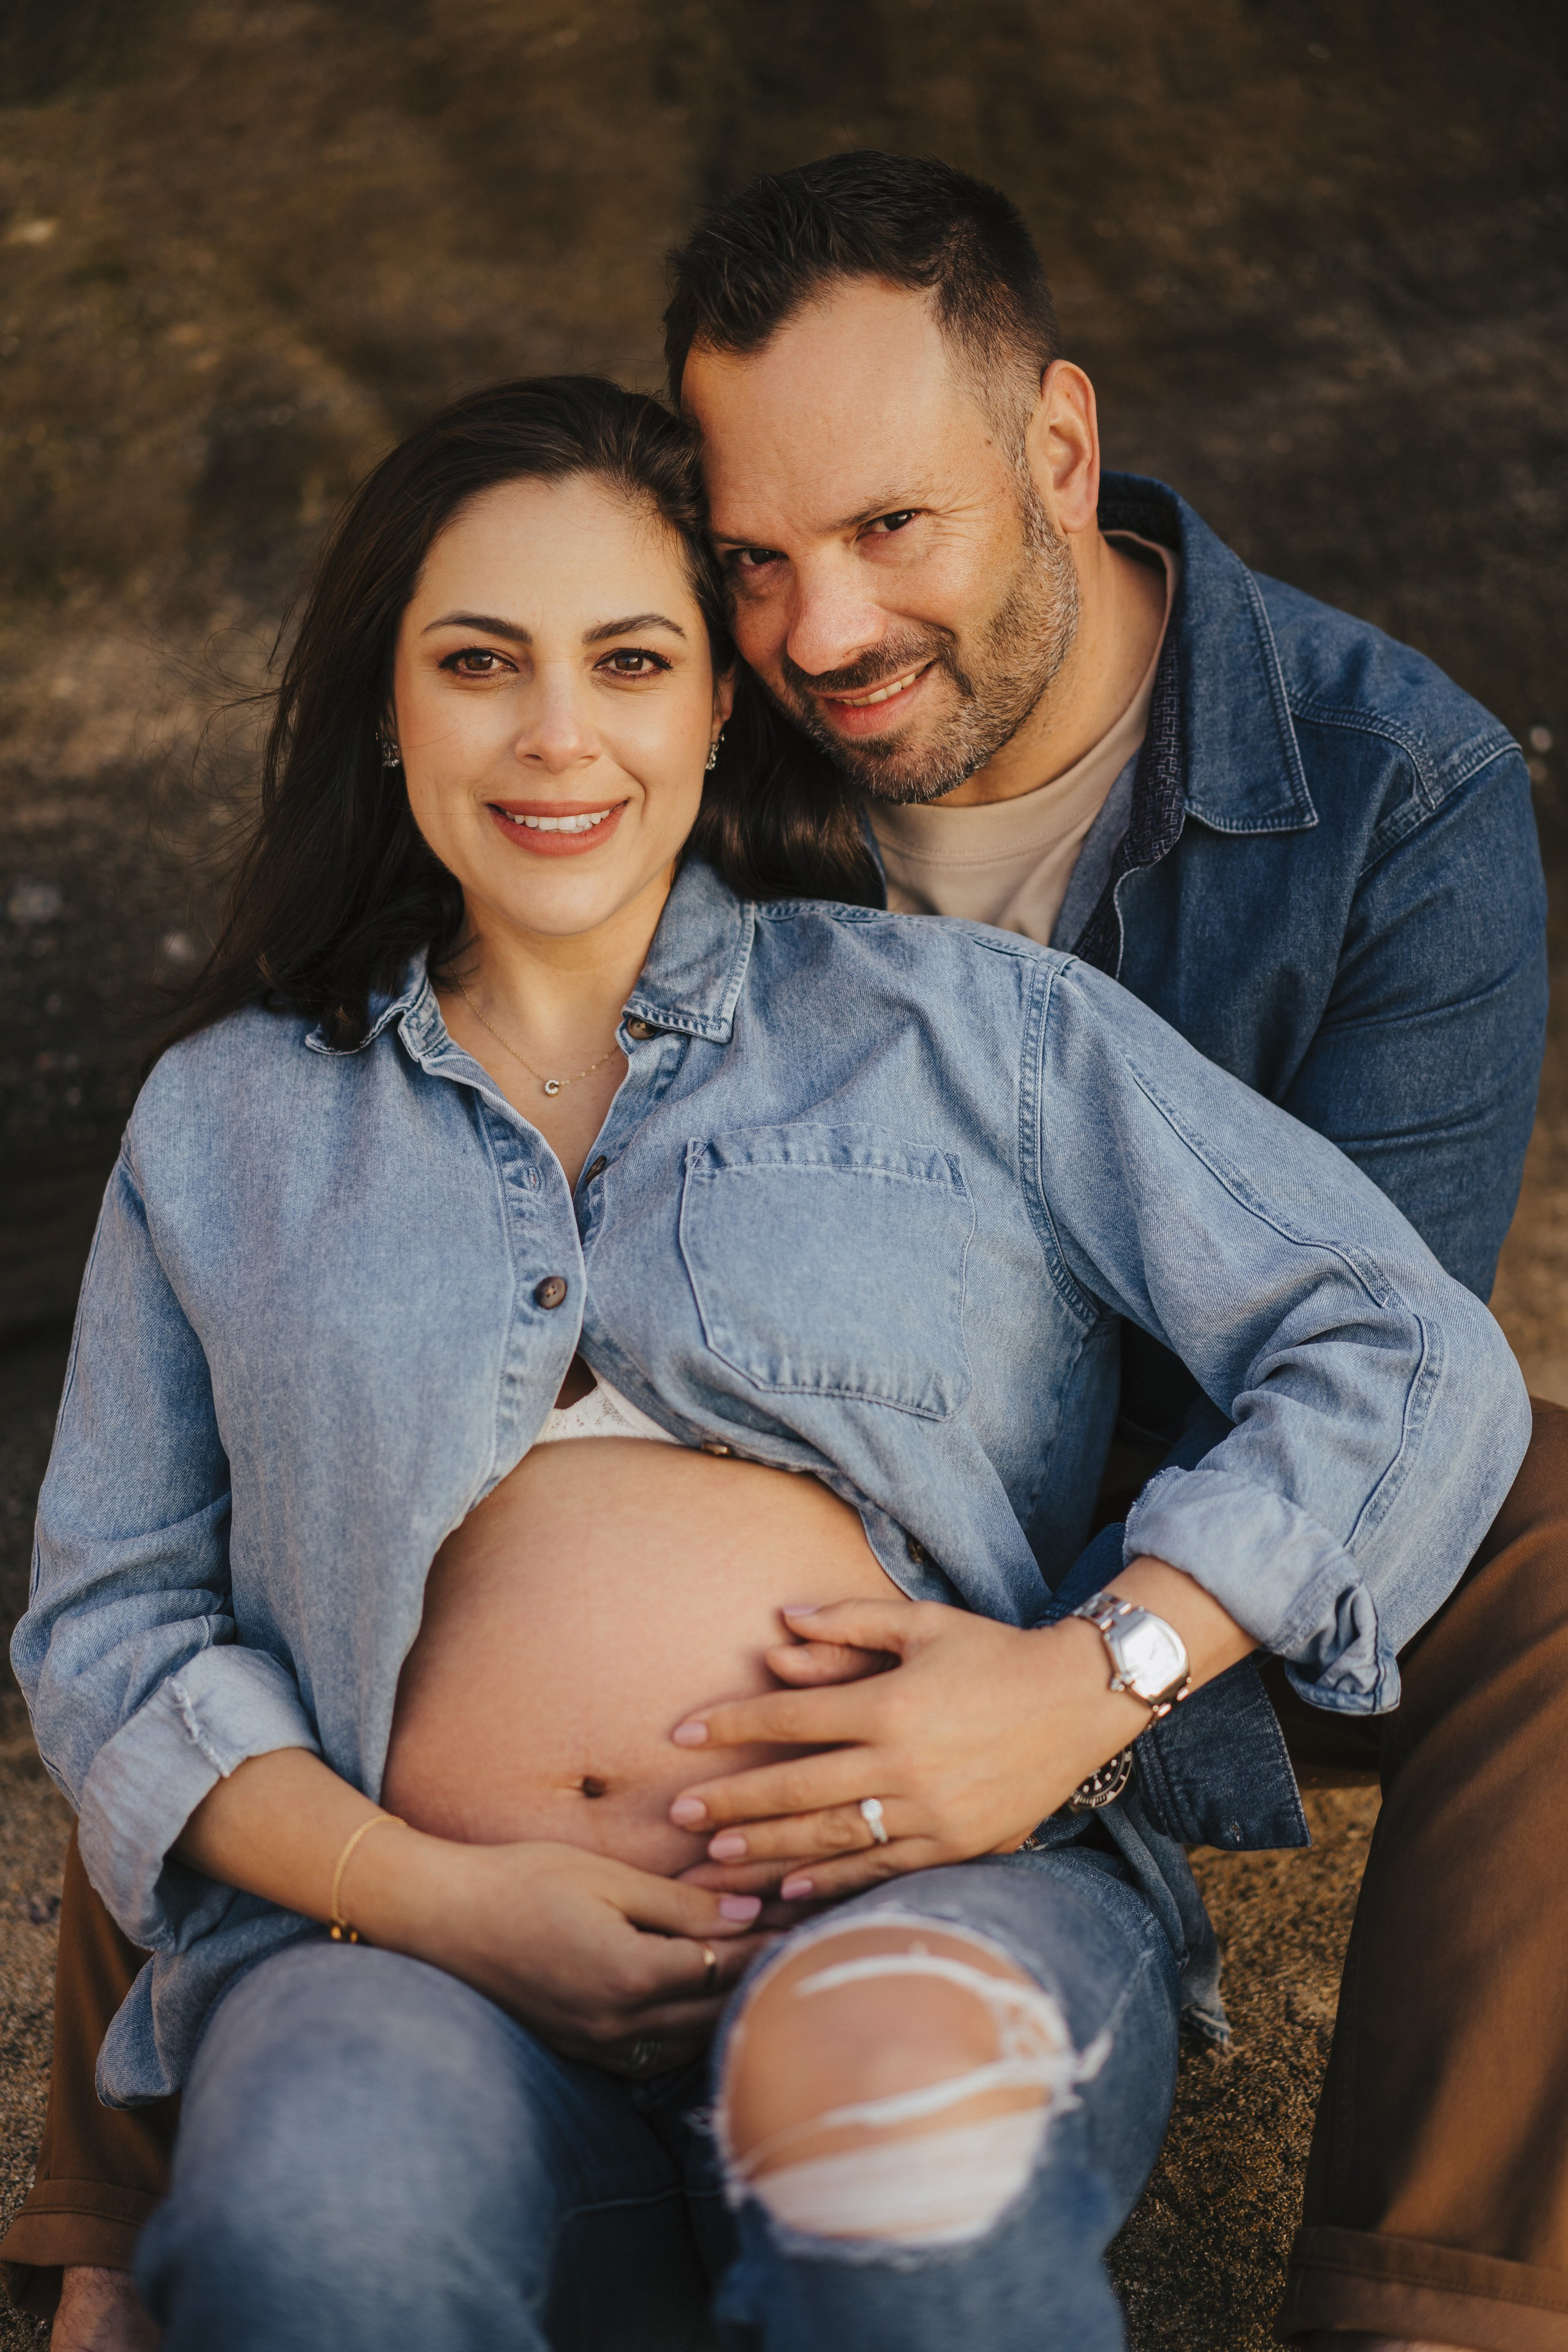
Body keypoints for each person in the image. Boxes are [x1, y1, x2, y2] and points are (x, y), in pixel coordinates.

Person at [4, 373, 1528, 2352]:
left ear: (720, 705)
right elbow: (114, 1625)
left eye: (631, 661)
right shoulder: (229, 1119)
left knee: (904, 2166)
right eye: (479, 662)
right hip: (415, 1971)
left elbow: (1403, 1346)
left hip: (928, 1920)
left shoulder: (967, 1028)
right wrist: (435, 1896)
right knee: (313, 2214)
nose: (559, 734)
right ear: (389, 707)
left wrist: (1091, 1680)